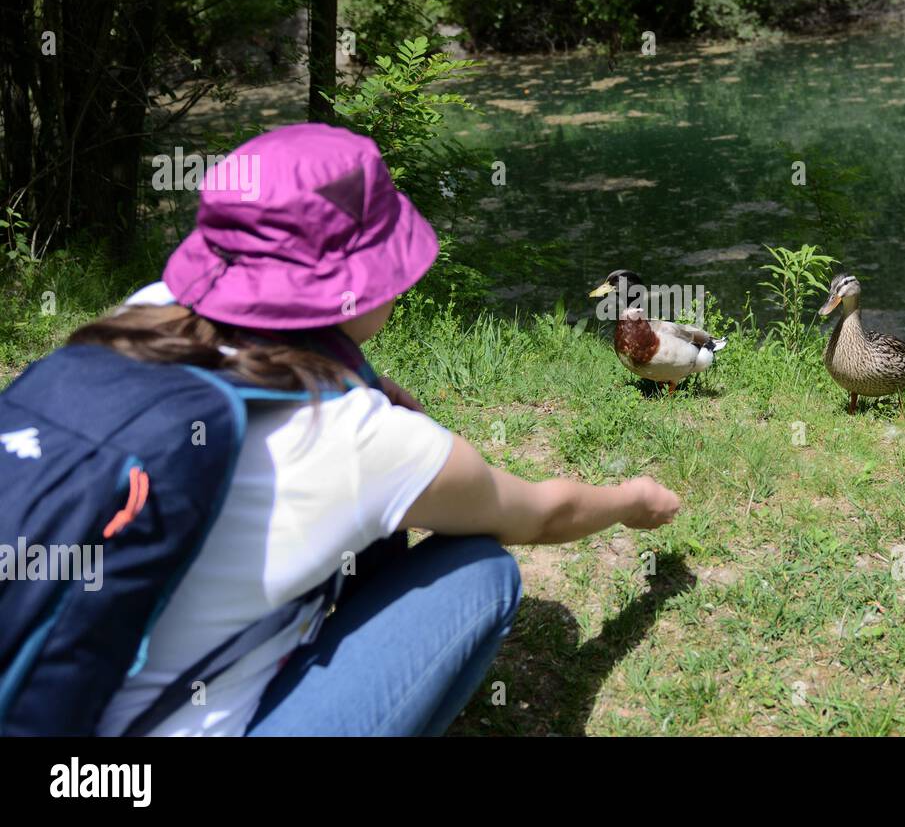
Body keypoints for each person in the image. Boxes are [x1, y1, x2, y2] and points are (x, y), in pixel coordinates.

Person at [78, 123, 680, 736]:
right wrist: (634, 498)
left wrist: (365, 381)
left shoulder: (140, 315)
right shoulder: (354, 436)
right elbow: (540, 515)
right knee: (483, 571)